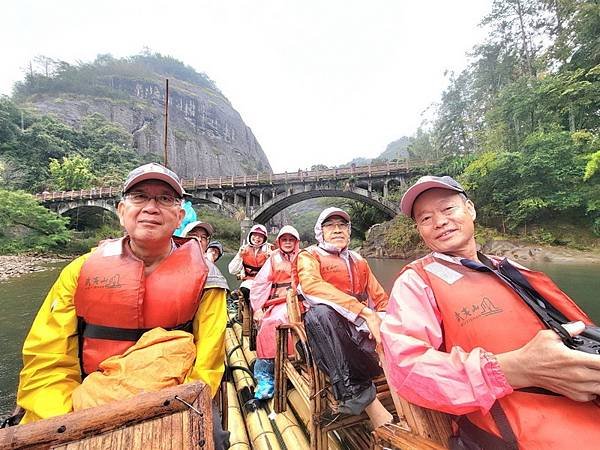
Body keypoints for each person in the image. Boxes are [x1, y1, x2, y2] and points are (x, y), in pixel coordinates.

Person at [16, 163, 228, 448]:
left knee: (212, 439)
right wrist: (71, 423)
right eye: (139, 196)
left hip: (173, 400)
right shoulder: (79, 272)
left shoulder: (207, 279)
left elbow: (207, 364)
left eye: (165, 199)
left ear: (179, 216)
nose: (151, 207)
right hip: (85, 400)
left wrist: (165, 414)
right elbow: (47, 359)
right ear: (120, 211)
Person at [381, 175, 600, 449]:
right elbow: (407, 369)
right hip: (522, 435)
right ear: (420, 230)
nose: (439, 222)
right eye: (425, 219)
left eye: (448, 209)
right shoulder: (416, 283)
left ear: (470, 209)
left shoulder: (513, 270)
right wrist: (516, 369)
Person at [294, 207, 393, 428]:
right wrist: (363, 312)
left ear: (349, 232)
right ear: (320, 232)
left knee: (393, 322)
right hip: (327, 337)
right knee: (319, 314)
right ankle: (358, 396)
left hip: (360, 337)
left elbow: (381, 299)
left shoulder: (360, 261)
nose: (337, 230)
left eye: (342, 226)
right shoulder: (309, 256)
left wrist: (384, 321)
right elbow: (310, 286)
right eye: (330, 226)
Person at [250, 225, 301, 399]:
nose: (287, 242)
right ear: (279, 242)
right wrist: (257, 308)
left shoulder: (304, 258)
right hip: (279, 301)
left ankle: (300, 365)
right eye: (284, 239)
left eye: (291, 239)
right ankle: (265, 374)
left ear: (296, 242)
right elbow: (260, 284)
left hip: (302, 300)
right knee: (272, 322)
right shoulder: (273, 260)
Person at [228, 224, 274, 302]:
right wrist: (239, 255)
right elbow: (232, 270)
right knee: (245, 290)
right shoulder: (244, 249)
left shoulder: (269, 250)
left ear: (264, 238)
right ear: (250, 236)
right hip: (248, 282)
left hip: (264, 283)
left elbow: (276, 271)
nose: (257, 238)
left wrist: (271, 257)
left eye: (260, 236)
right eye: (255, 235)